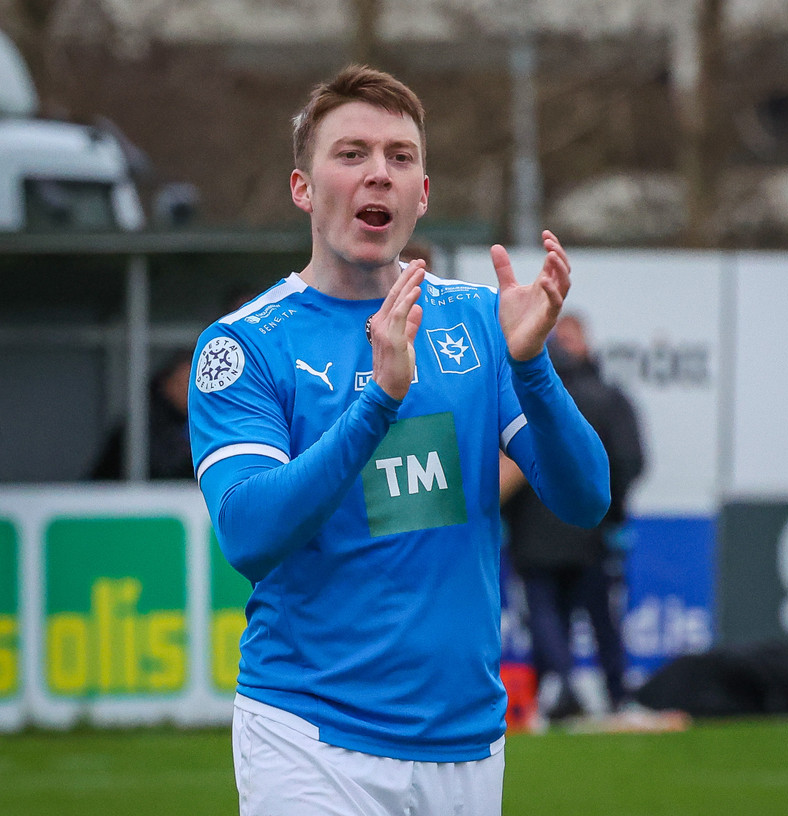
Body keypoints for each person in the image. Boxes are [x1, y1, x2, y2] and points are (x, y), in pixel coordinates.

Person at [187, 65, 610, 816]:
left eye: (400, 156)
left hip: (466, 741)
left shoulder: (479, 320)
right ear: (302, 188)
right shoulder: (245, 346)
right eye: (351, 154)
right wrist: (376, 403)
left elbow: (585, 499)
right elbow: (248, 535)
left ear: (423, 194)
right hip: (310, 737)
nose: (378, 172)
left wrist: (532, 366)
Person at [501, 312, 645, 722]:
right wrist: (611, 514)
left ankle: (561, 688)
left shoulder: (519, 395)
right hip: (588, 530)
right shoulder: (607, 396)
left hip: (535, 532)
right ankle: (615, 694)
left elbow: (504, 459)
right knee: (600, 619)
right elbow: (629, 460)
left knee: (547, 616)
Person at [90, 348, 194, 480]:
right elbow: (164, 467)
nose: (188, 393)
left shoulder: (191, 421)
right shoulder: (143, 422)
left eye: (193, 387)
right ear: (166, 384)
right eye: (182, 384)